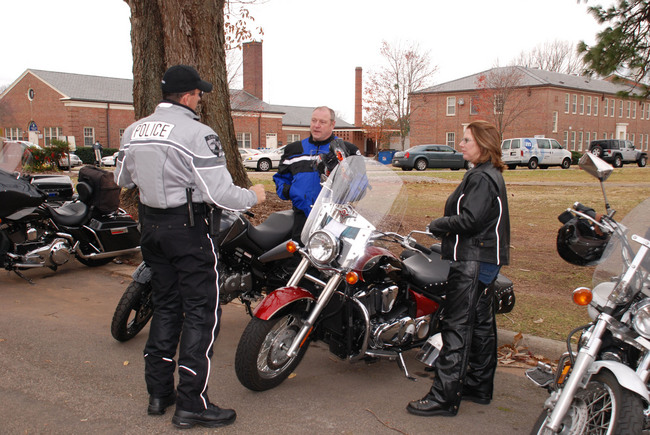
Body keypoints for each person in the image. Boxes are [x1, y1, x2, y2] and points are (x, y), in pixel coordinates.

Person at [114, 64, 266, 429]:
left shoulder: (134, 130)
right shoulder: (198, 133)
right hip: (187, 230)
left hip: (151, 228)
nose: (200, 99)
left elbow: (122, 177)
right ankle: (192, 404)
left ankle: (158, 394)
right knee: (201, 313)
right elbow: (220, 194)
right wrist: (253, 196)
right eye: (198, 94)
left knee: (167, 306)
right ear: (186, 96)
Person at [407, 120, 510, 417]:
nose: (461, 145)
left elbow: (471, 220)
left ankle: (443, 397)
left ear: (484, 145)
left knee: (457, 327)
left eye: (467, 140)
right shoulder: (488, 174)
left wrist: (438, 224)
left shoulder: (481, 177)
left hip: (473, 259)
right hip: (484, 259)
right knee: (480, 326)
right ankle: (478, 386)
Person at [273, 106, 360, 240]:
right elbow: (281, 178)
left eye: (322, 122)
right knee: (300, 251)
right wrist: (292, 192)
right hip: (302, 217)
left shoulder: (347, 150)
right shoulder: (293, 150)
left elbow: (360, 185)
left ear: (332, 125)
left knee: (331, 252)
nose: (316, 125)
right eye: (314, 121)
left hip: (334, 219)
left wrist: (345, 180)